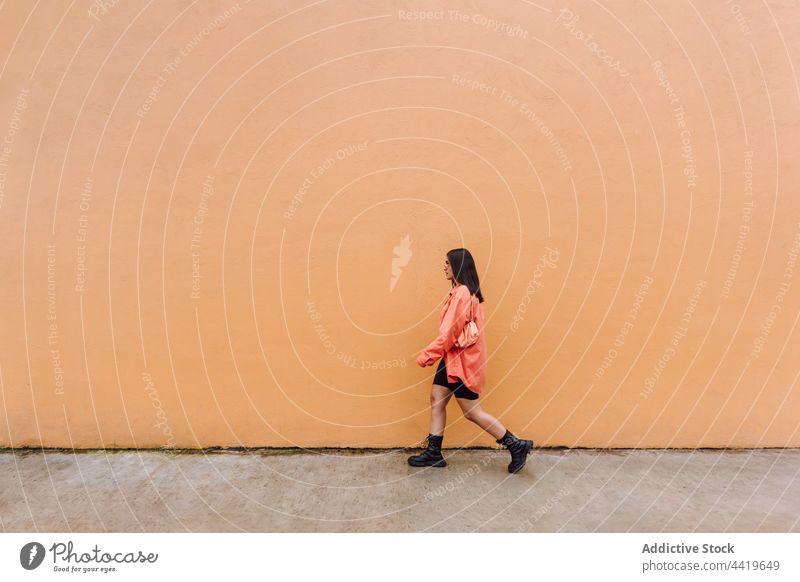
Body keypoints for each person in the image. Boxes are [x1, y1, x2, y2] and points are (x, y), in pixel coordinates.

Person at [411, 248, 534, 474]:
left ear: (458, 265)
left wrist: (427, 355)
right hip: (453, 358)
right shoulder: (462, 291)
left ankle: (516, 445)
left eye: (447, 263)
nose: (444, 266)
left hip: (461, 361)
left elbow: (449, 333)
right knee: (437, 398)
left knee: (472, 412)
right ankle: (434, 452)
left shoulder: (462, 294)